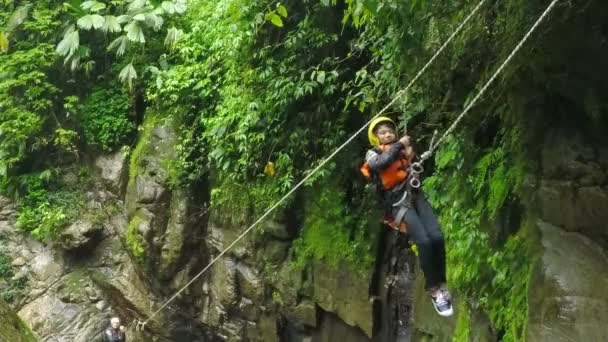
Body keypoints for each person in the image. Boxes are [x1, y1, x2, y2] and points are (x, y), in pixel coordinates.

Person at [361, 116, 453, 317]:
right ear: (376, 137)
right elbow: (381, 164)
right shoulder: (373, 153)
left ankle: (442, 284)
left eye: (389, 131)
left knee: (437, 237)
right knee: (424, 241)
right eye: (382, 132)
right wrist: (399, 146)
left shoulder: (401, 150)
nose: (387, 134)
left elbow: (415, 169)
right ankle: (434, 290)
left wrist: (412, 156)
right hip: (397, 203)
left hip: (415, 194)